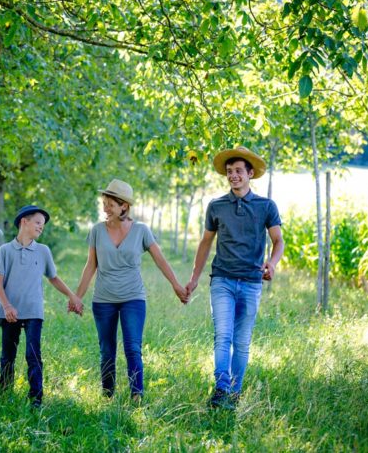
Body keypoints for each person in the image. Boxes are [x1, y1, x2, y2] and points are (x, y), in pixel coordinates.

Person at [186, 146, 284, 409]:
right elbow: (206, 243)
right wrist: (194, 277)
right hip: (222, 281)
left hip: (251, 283)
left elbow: (278, 241)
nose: (233, 176)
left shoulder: (266, 206)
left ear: (250, 174)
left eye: (239, 171)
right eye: (229, 172)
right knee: (223, 337)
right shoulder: (216, 206)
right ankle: (221, 390)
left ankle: (235, 393)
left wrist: (272, 264)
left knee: (241, 341)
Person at [75, 179, 189, 402]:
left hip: (133, 298)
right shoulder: (97, 231)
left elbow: (160, 260)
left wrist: (176, 285)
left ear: (124, 206)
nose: (105, 208)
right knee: (106, 350)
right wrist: (77, 297)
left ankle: (137, 395)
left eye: (110, 204)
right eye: (104, 203)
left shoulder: (141, 231)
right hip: (103, 299)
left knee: (132, 348)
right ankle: (107, 395)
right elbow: (91, 265)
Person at [0, 205, 83, 408]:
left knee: (33, 354)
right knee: (8, 356)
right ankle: (5, 397)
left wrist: (72, 296)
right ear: (24, 221)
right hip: (10, 312)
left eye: (43, 225)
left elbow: (54, 278)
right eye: (38, 223)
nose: (42, 227)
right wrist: (6, 306)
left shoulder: (43, 251)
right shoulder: (5, 250)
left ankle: (36, 399)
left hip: (33, 311)